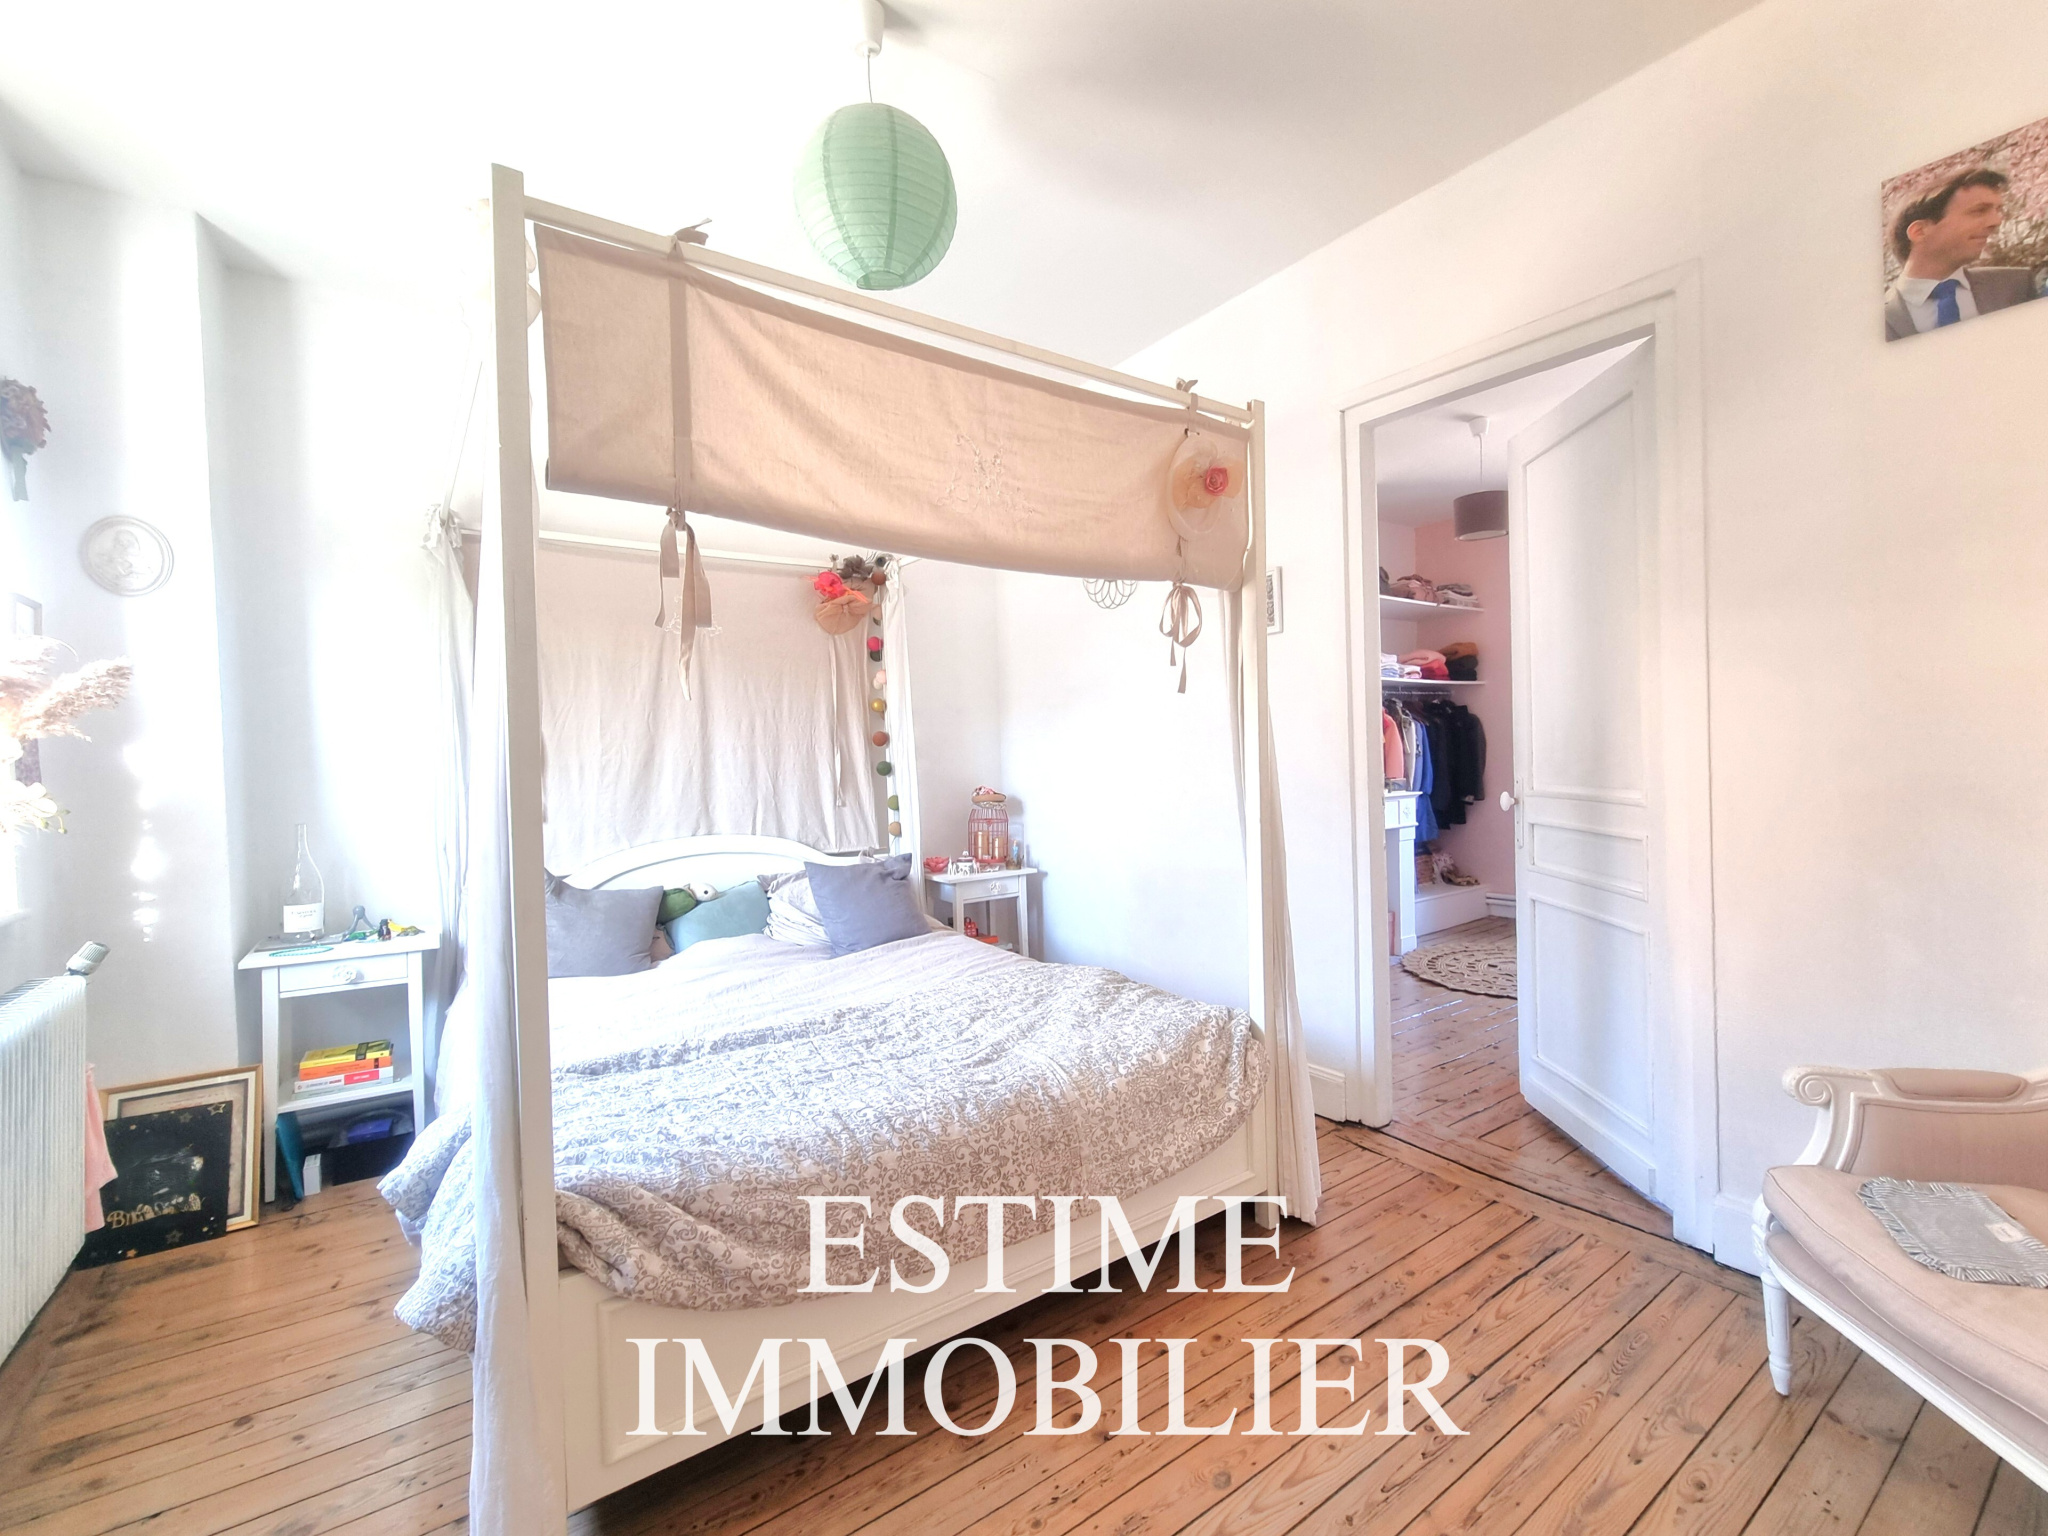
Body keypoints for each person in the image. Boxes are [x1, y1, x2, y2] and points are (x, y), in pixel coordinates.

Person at [1884, 167, 2038, 340]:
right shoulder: (1877, 321)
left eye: (1997, 210)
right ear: (1919, 231)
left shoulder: (2016, 286)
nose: (1996, 221)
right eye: (1979, 210)